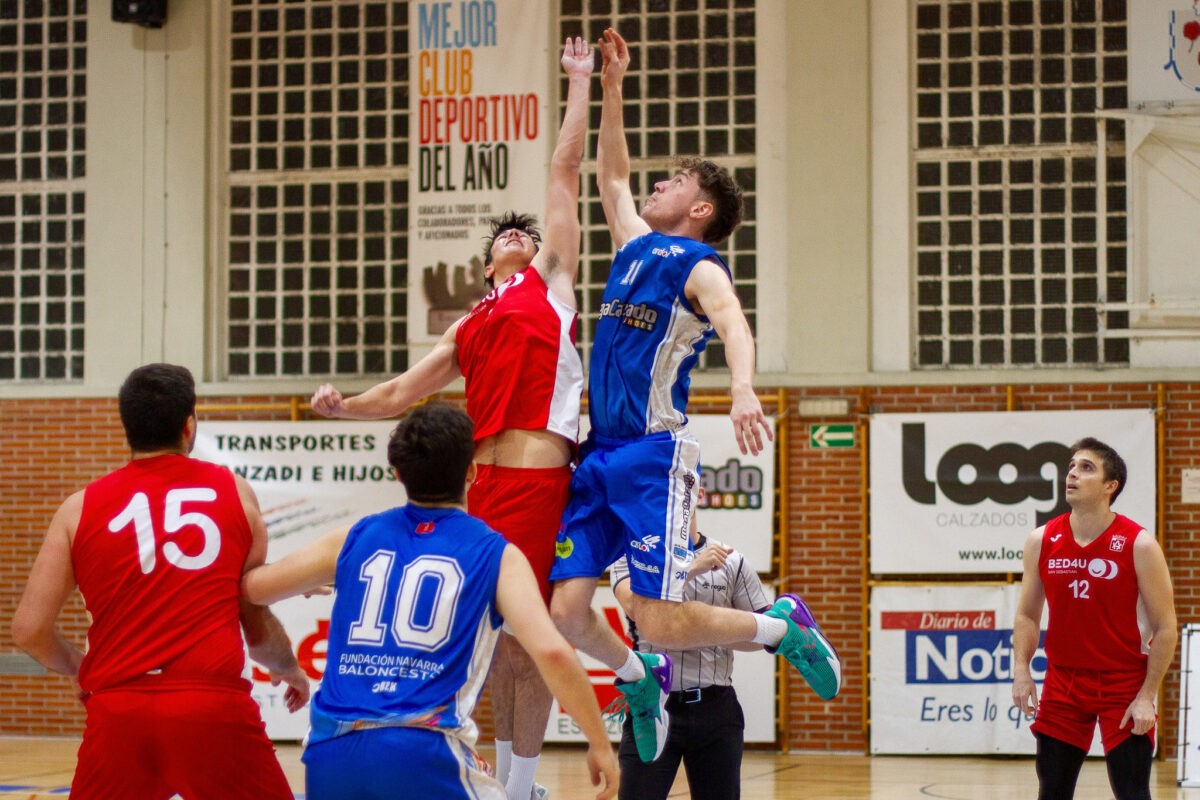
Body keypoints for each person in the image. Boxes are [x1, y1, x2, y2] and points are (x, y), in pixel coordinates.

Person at [309, 36, 599, 799]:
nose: (518, 235)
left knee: (531, 642)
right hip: (480, 490)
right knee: (490, 642)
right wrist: (345, 408)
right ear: (485, 263)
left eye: (526, 233)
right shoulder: (466, 325)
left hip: (538, 479)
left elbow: (564, 170)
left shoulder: (551, 283)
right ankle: (496, 769)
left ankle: (524, 781)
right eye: (505, 235)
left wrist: (579, 82)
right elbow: (401, 394)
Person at [548, 28, 842, 766]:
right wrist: (610, 85)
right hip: (598, 453)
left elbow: (734, 320)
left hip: (652, 453)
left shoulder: (695, 262)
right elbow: (612, 178)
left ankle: (782, 627)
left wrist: (743, 387)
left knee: (662, 617)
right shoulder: (631, 246)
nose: (657, 184)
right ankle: (636, 679)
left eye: (675, 181)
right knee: (566, 612)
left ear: (700, 208)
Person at [241, 402, 619, 800]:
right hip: (422, 749)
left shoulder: (352, 538)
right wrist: (598, 742)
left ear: (398, 474)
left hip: (330, 752)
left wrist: (301, 575)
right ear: (472, 471)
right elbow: (552, 653)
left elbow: (252, 587)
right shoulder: (496, 553)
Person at [11, 363, 309, 800]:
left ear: (126, 427)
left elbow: (29, 630)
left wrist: (78, 667)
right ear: (189, 426)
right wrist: (288, 669)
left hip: (118, 708)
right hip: (211, 707)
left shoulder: (78, 508)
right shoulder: (235, 492)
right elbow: (253, 616)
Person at [1012, 437, 1177, 800]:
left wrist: (1147, 696)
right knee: (1052, 792)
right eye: (1071, 466)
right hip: (1063, 683)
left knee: (1133, 793)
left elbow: (1166, 628)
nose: (1072, 474)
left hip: (1124, 683)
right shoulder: (1041, 539)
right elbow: (1027, 615)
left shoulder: (1139, 544)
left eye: (1086, 468)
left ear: (1109, 486)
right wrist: (1022, 670)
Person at [610, 491, 769, 800]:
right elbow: (635, 607)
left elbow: (762, 635)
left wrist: (699, 630)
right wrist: (692, 567)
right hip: (652, 707)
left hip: (715, 709)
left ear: (698, 494)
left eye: (683, 490)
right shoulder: (631, 555)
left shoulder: (732, 560)